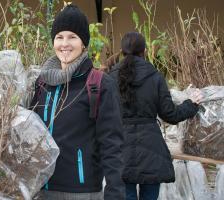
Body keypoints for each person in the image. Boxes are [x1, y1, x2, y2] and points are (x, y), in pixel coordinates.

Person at [30, 5, 125, 200]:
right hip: (40, 188)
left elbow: (112, 144)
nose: (65, 43)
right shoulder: (41, 83)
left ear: (84, 43)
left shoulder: (98, 83)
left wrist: (115, 193)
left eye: (72, 37)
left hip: (80, 191)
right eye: (59, 37)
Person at [109, 32, 203, 200]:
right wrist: (192, 104)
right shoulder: (155, 77)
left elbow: (103, 116)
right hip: (152, 150)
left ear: (122, 51)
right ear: (144, 50)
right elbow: (170, 115)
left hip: (120, 149)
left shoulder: (110, 78)